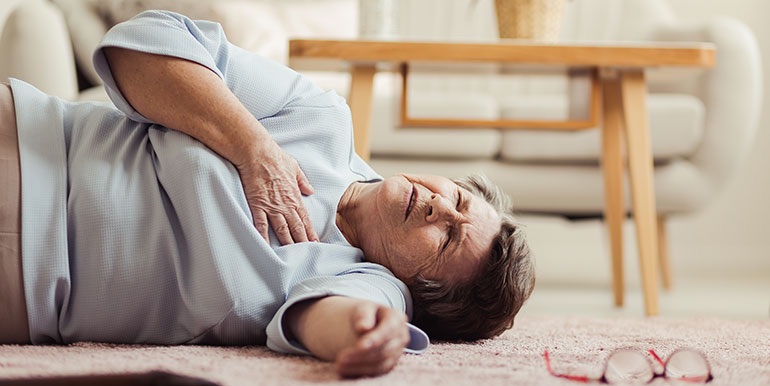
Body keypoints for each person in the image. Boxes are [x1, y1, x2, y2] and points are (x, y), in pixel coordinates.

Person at [0, 10, 535, 377]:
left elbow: (334, 318)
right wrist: (254, 147)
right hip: (26, 144)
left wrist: (367, 335)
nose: (440, 208)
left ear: (418, 292)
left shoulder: (366, 281)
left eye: (446, 239)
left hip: (25, 285)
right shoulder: (323, 120)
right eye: (459, 201)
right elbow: (141, 44)